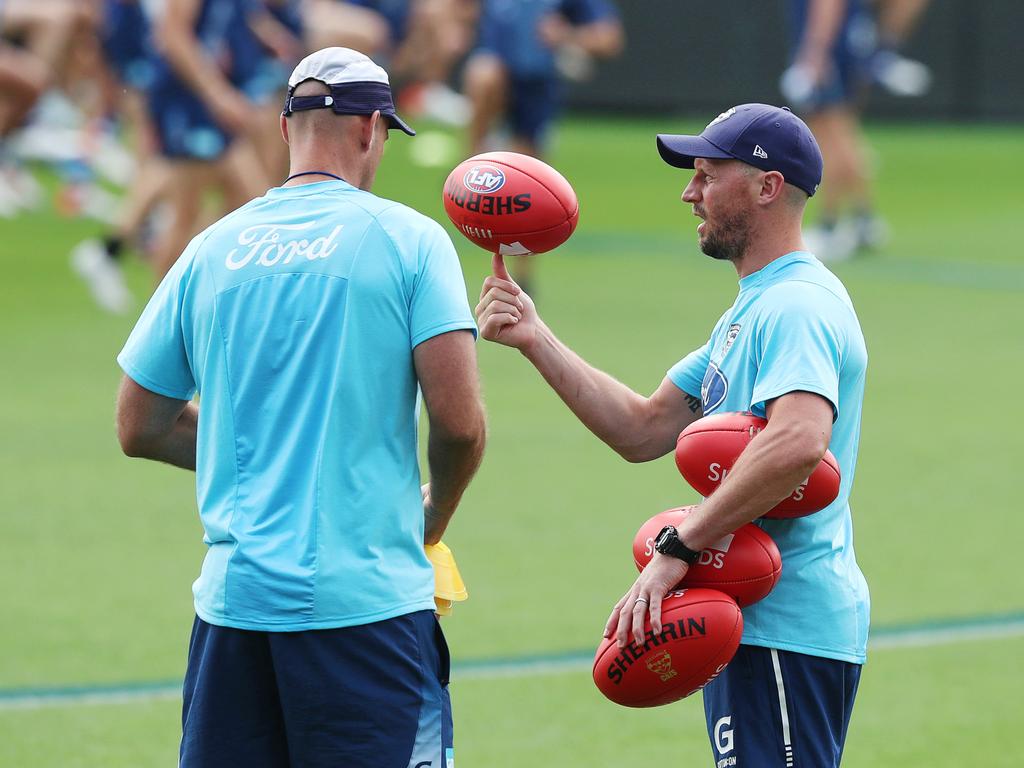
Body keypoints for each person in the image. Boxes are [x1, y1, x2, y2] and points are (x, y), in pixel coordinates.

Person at [115, 46, 486, 768]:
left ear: (286, 131)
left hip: (233, 612)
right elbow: (460, 423)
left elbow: (139, 424)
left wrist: (254, 443)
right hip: (366, 610)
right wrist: (434, 511)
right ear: (372, 128)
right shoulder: (409, 240)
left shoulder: (209, 248)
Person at [476, 103, 869, 767]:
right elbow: (645, 427)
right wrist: (534, 337)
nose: (690, 192)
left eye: (708, 176)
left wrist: (679, 546)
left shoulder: (799, 306)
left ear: (767, 187)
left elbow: (800, 441)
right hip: (750, 619)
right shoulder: (751, 311)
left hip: (788, 623)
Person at [463, 0, 623, 291]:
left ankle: (522, 277)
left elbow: (608, 38)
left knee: (527, 191)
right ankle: (470, 163)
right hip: (497, 79)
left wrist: (567, 36)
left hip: (535, 87)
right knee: (484, 73)